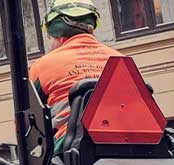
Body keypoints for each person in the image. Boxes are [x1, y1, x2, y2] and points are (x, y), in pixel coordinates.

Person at [29, 1, 123, 141]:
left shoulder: (42, 66)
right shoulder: (121, 60)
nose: (50, 45)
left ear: (59, 36)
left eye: (50, 37)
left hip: (72, 146)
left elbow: (28, 126)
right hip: (126, 143)